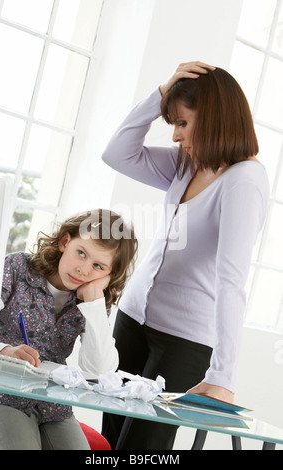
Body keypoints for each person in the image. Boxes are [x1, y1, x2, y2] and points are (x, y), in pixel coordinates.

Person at [101, 62, 270, 449]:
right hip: (133, 320)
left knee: (142, 450)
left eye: (181, 123)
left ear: (212, 116)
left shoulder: (244, 180)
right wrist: (160, 93)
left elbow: (231, 280)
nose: (176, 136)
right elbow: (117, 154)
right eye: (172, 124)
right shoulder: (186, 163)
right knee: (111, 446)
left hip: (184, 340)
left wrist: (223, 377)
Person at [0, 209, 137, 450]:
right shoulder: (15, 269)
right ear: (65, 241)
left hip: (52, 405)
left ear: (109, 275)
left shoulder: (92, 300)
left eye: (98, 266)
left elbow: (98, 371)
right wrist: (4, 351)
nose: (83, 270)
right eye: (81, 253)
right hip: (0, 396)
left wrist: (94, 303)